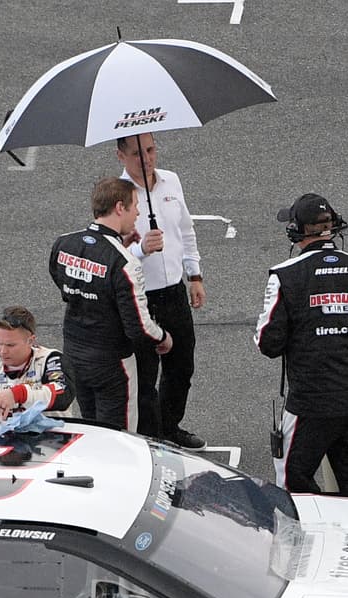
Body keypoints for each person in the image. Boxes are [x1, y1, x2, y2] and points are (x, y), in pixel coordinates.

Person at [255, 193, 348, 496]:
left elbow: (268, 343)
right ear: (334, 226)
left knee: (293, 490)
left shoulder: (284, 276)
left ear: (296, 231)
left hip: (310, 404)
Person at [49, 177, 172, 431]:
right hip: (112, 364)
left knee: (91, 429)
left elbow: (61, 282)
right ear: (119, 207)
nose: (138, 213)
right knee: (119, 438)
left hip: (73, 355)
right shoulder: (124, 262)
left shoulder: (63, 243)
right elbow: (139, 327)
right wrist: (163, 337)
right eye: (134, 205)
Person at [116, 133, 206, 449]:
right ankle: (150, 436)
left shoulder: (171, 181)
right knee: (145, 372)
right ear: (121, 156)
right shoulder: (118, 195)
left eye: (151, 150)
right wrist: (140, 249)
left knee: (181, 365)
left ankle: (170, 426)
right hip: (140, 296)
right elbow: (111, 251)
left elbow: (185, 230)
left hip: (174, 291)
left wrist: (195, 275)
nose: (147, 159)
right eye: (138, 153)